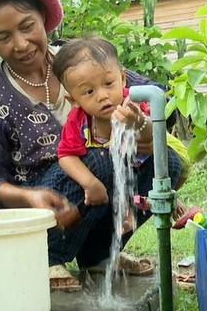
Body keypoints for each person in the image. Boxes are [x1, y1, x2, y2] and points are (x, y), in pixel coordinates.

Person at [0, 0, 183, 291]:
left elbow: (155, 97)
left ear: (42, 17)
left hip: (98, 187)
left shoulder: (77, 62)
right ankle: (47, 258)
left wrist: (144, 129)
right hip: (50, 207)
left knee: (169, 162)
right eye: (3, 37)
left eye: (27, 26)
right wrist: (29, 196)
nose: (21, 44)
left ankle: (100, 255)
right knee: (96, 161)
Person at [53, 36, 187, 233]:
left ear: (122, 78)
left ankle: (163, 197)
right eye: (89, 92)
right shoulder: (78, 120)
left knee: (164, 165)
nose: (102, 96)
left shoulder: (131, 105)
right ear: (73, 100)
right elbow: (66, 155)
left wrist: (139, 122)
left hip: (148, 164)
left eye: (108, 83)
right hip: (112, 171)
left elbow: (151, 136)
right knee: (104, 165)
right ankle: (119, 218)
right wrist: (90, 183)